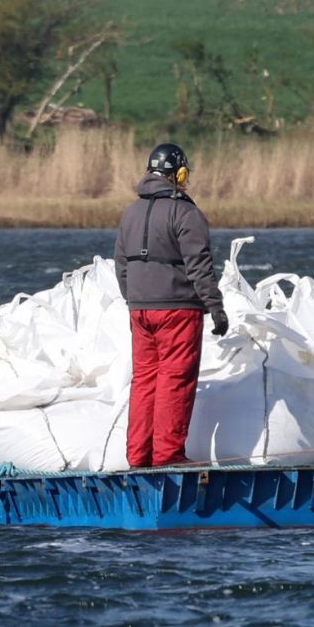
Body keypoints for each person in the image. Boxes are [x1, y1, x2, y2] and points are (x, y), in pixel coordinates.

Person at [113, 143, 227, 468]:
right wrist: (215, 308)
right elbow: (199, 266)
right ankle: (168, 456)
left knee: (144, 379)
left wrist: (133, 299)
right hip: (178, 310)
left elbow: (121, 264)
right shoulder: (186, 212)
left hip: (139, 310)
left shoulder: (130, 213)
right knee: (175, 379)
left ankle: (138, 457)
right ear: (178, 174)